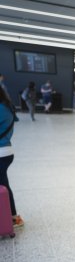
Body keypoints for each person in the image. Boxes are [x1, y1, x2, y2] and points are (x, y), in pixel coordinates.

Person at [0, 86, 24, 228]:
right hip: (7, 151)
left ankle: (13, 217)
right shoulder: (7, 106)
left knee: (4, 186)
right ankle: (13, 216)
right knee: (4, 185)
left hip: (1, 152)